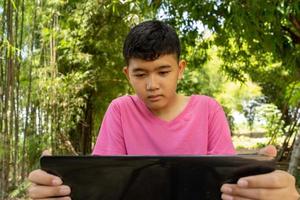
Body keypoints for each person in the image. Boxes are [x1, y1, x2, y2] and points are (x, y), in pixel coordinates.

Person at [27, 20, 300, 200]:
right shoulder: (120, 110)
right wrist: (65, 186)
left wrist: (249, 181)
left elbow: (224, 183)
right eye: (140, 74)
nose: (151, 84)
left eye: (163, 71)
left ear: (180, 70)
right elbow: (104, 183)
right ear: (127, 74)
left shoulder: (208, 110)